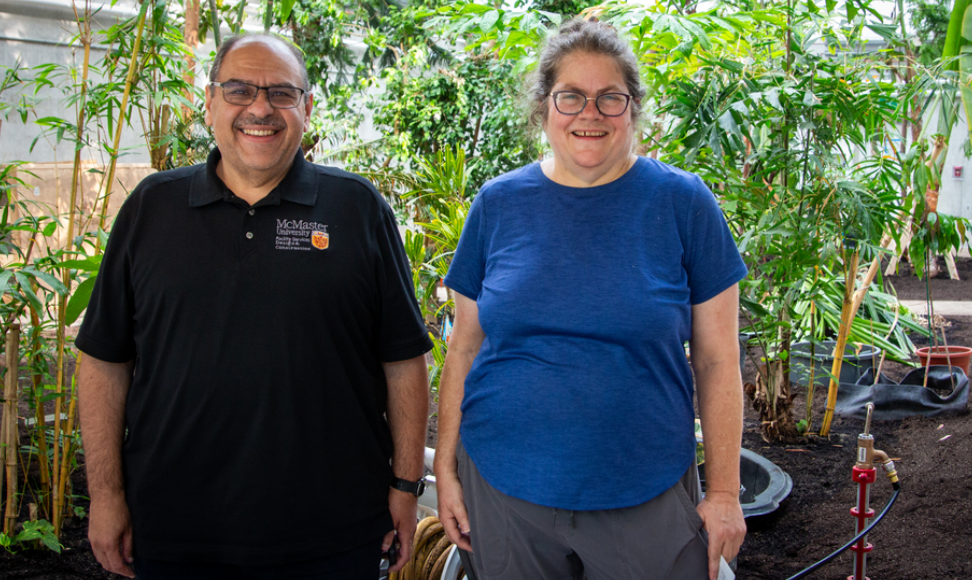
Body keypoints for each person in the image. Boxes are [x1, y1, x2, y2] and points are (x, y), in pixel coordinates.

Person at [76, 33, 432, 580]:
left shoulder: (357, 208)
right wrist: (105, 495)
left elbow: (404, 361)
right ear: (211, 103)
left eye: (281, 93)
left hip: (332, 532)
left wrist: (406, 487)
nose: (260, 108)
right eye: (239, 90)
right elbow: (104, 362)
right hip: (174, 528)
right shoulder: (152, 208)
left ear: (307, 108)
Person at [434, 19, 748, 580]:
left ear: (633, 110)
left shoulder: (683, 203)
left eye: (610, 98)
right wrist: (449, 468)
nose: (590, 113)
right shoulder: (498, 203)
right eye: (571, 96)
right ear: (544, 108)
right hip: (505, 487)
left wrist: (724, 491)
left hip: (643, 483)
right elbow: (464, 348)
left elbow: (719, 358)